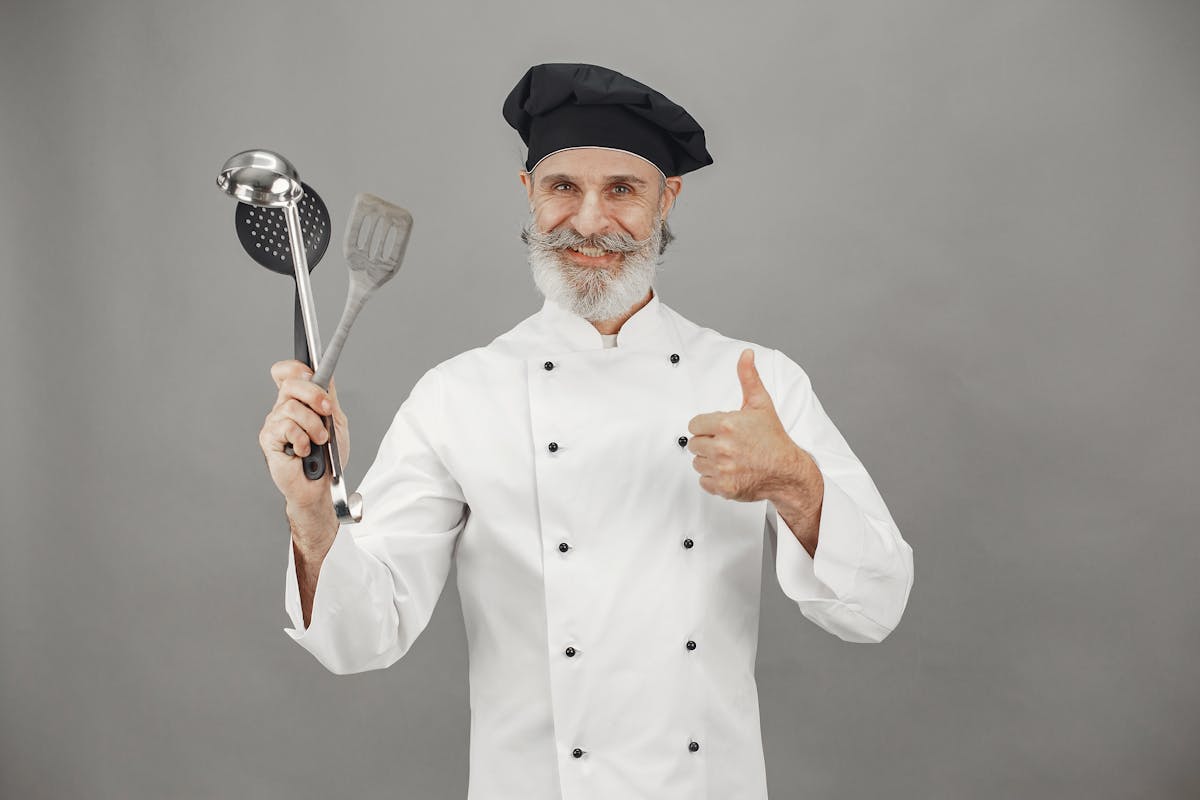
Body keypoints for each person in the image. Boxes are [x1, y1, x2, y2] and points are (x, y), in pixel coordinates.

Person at [260, 63, 914, 800]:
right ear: (529, 193)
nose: (590, 221)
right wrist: (311, 512)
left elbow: (877, 606)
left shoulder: (756, 382)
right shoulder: (458, 396)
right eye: (563, 187)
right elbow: (358, 638)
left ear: (668, 199)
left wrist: (796, 483)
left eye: (623, 190)